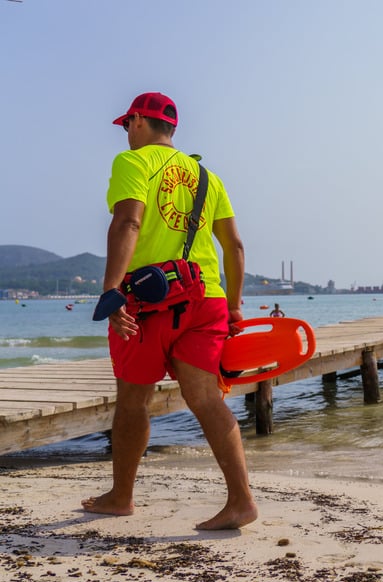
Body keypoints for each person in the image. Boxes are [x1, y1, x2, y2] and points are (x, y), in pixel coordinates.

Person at [83, 92, 257, 530]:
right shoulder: (207, 177)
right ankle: (241, 501)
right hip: (207, 299)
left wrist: (110, 291)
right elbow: (234, 246)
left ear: (139, 121)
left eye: (127, 124)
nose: (126, 133)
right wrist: (234, 306)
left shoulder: (134, 163)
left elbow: (128, 222)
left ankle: (122, 496)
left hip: (149, 303)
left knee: (133, 399)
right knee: (205, 398)